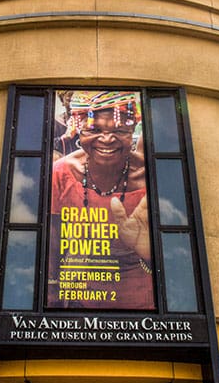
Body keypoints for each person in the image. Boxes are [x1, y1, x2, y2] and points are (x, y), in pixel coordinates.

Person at [47, 91, 154, 310]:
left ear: (133, 129)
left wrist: (150, 255)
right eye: (94, 130)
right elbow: (52, 244)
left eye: (119, 130)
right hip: (80, 302)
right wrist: (52, 298)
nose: (107, 139)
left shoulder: (151, 177)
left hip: (146, 308)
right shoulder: (61, 173)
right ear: (78, 129)